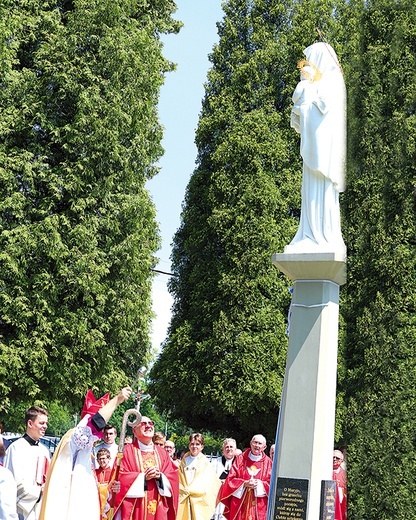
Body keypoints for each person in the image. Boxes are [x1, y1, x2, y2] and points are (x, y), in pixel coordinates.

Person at [285, 42, 346, 254]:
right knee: (311, 190)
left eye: (312, 61)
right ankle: (310, 234)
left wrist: (303, 108)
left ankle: (319, 235)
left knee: (320, 191)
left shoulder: (330, 85)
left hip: (323, 152)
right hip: (315, 150)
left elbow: (321, 110)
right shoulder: (322, 84)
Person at [39, 386, 131, 520]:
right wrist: (116, 400)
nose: (98, 436)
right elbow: (94, 425)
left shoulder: (86, 453)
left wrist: (108, 488)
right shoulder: (73, 442)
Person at [113, 416, 179, 520]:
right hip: (136, 509)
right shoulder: (126, 451)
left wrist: (160, 477)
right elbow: (119, 478)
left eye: (151, 423)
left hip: (158, 508)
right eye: (143, 423)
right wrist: (143, 478)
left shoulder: (163, 453)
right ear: (134, 431)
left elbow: (173, 478)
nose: (148, 426)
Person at [4, 406, 51, 520]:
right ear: (30, 423)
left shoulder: (44, 450)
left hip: (41, 508)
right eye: (41, 423)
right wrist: (39, 492)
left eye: (46, 423)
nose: (45, 426)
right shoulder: (16, 448)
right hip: (22, 510)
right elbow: (12, 483)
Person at [219, 434, 272, 520]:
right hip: (240, 503)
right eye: (255, 442)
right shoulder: (240, 459)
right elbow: (230, 480)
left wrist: (259, 484)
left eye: (260, 444)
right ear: (251, 443)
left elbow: (272, 485)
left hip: (259, 505)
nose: (257, 446)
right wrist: (244, 483)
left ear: (264, 447)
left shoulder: (268, 463)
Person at [177, 433, 221, 520]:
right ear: (189, 445)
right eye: (192, 444)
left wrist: (193, 490)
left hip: (199, 499)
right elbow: (180, 479)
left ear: (202, 447)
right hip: (184, 497)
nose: (194, 447)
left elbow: (210, 482)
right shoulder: (184, 460)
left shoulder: (205, 463)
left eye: (197, 444)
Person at [211, 438, 237, 520]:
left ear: (235, 449)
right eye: (227, 447)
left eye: (231, 447)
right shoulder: (215, 462)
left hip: (232, 497)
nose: (229, 449)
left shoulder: (239, 464)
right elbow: (209, 477)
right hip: (217, 496)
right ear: (223, 449)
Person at [96, 448, 115, 519]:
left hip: (110, 504)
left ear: (109, 459)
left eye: (103, 458)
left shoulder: (113, 473)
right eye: (99, 459)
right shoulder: (94, 473)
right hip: (98, 504)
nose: (101, 461)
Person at [333, 449, 347, 520]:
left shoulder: (345, 474)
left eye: (337, 458)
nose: (334, 459)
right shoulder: (325, 471)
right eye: (333, 457)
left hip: (341, 504)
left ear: (342, 460)